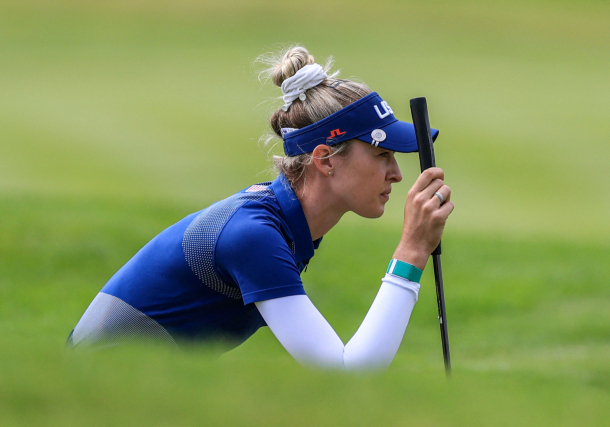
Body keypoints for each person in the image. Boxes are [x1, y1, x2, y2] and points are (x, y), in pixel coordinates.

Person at [67, 46, 454, 371]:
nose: (398, 174)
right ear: (325, 159)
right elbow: (347, 373)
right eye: (382, 154)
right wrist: (412, 251)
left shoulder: (281, 223)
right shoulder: (254, 235)